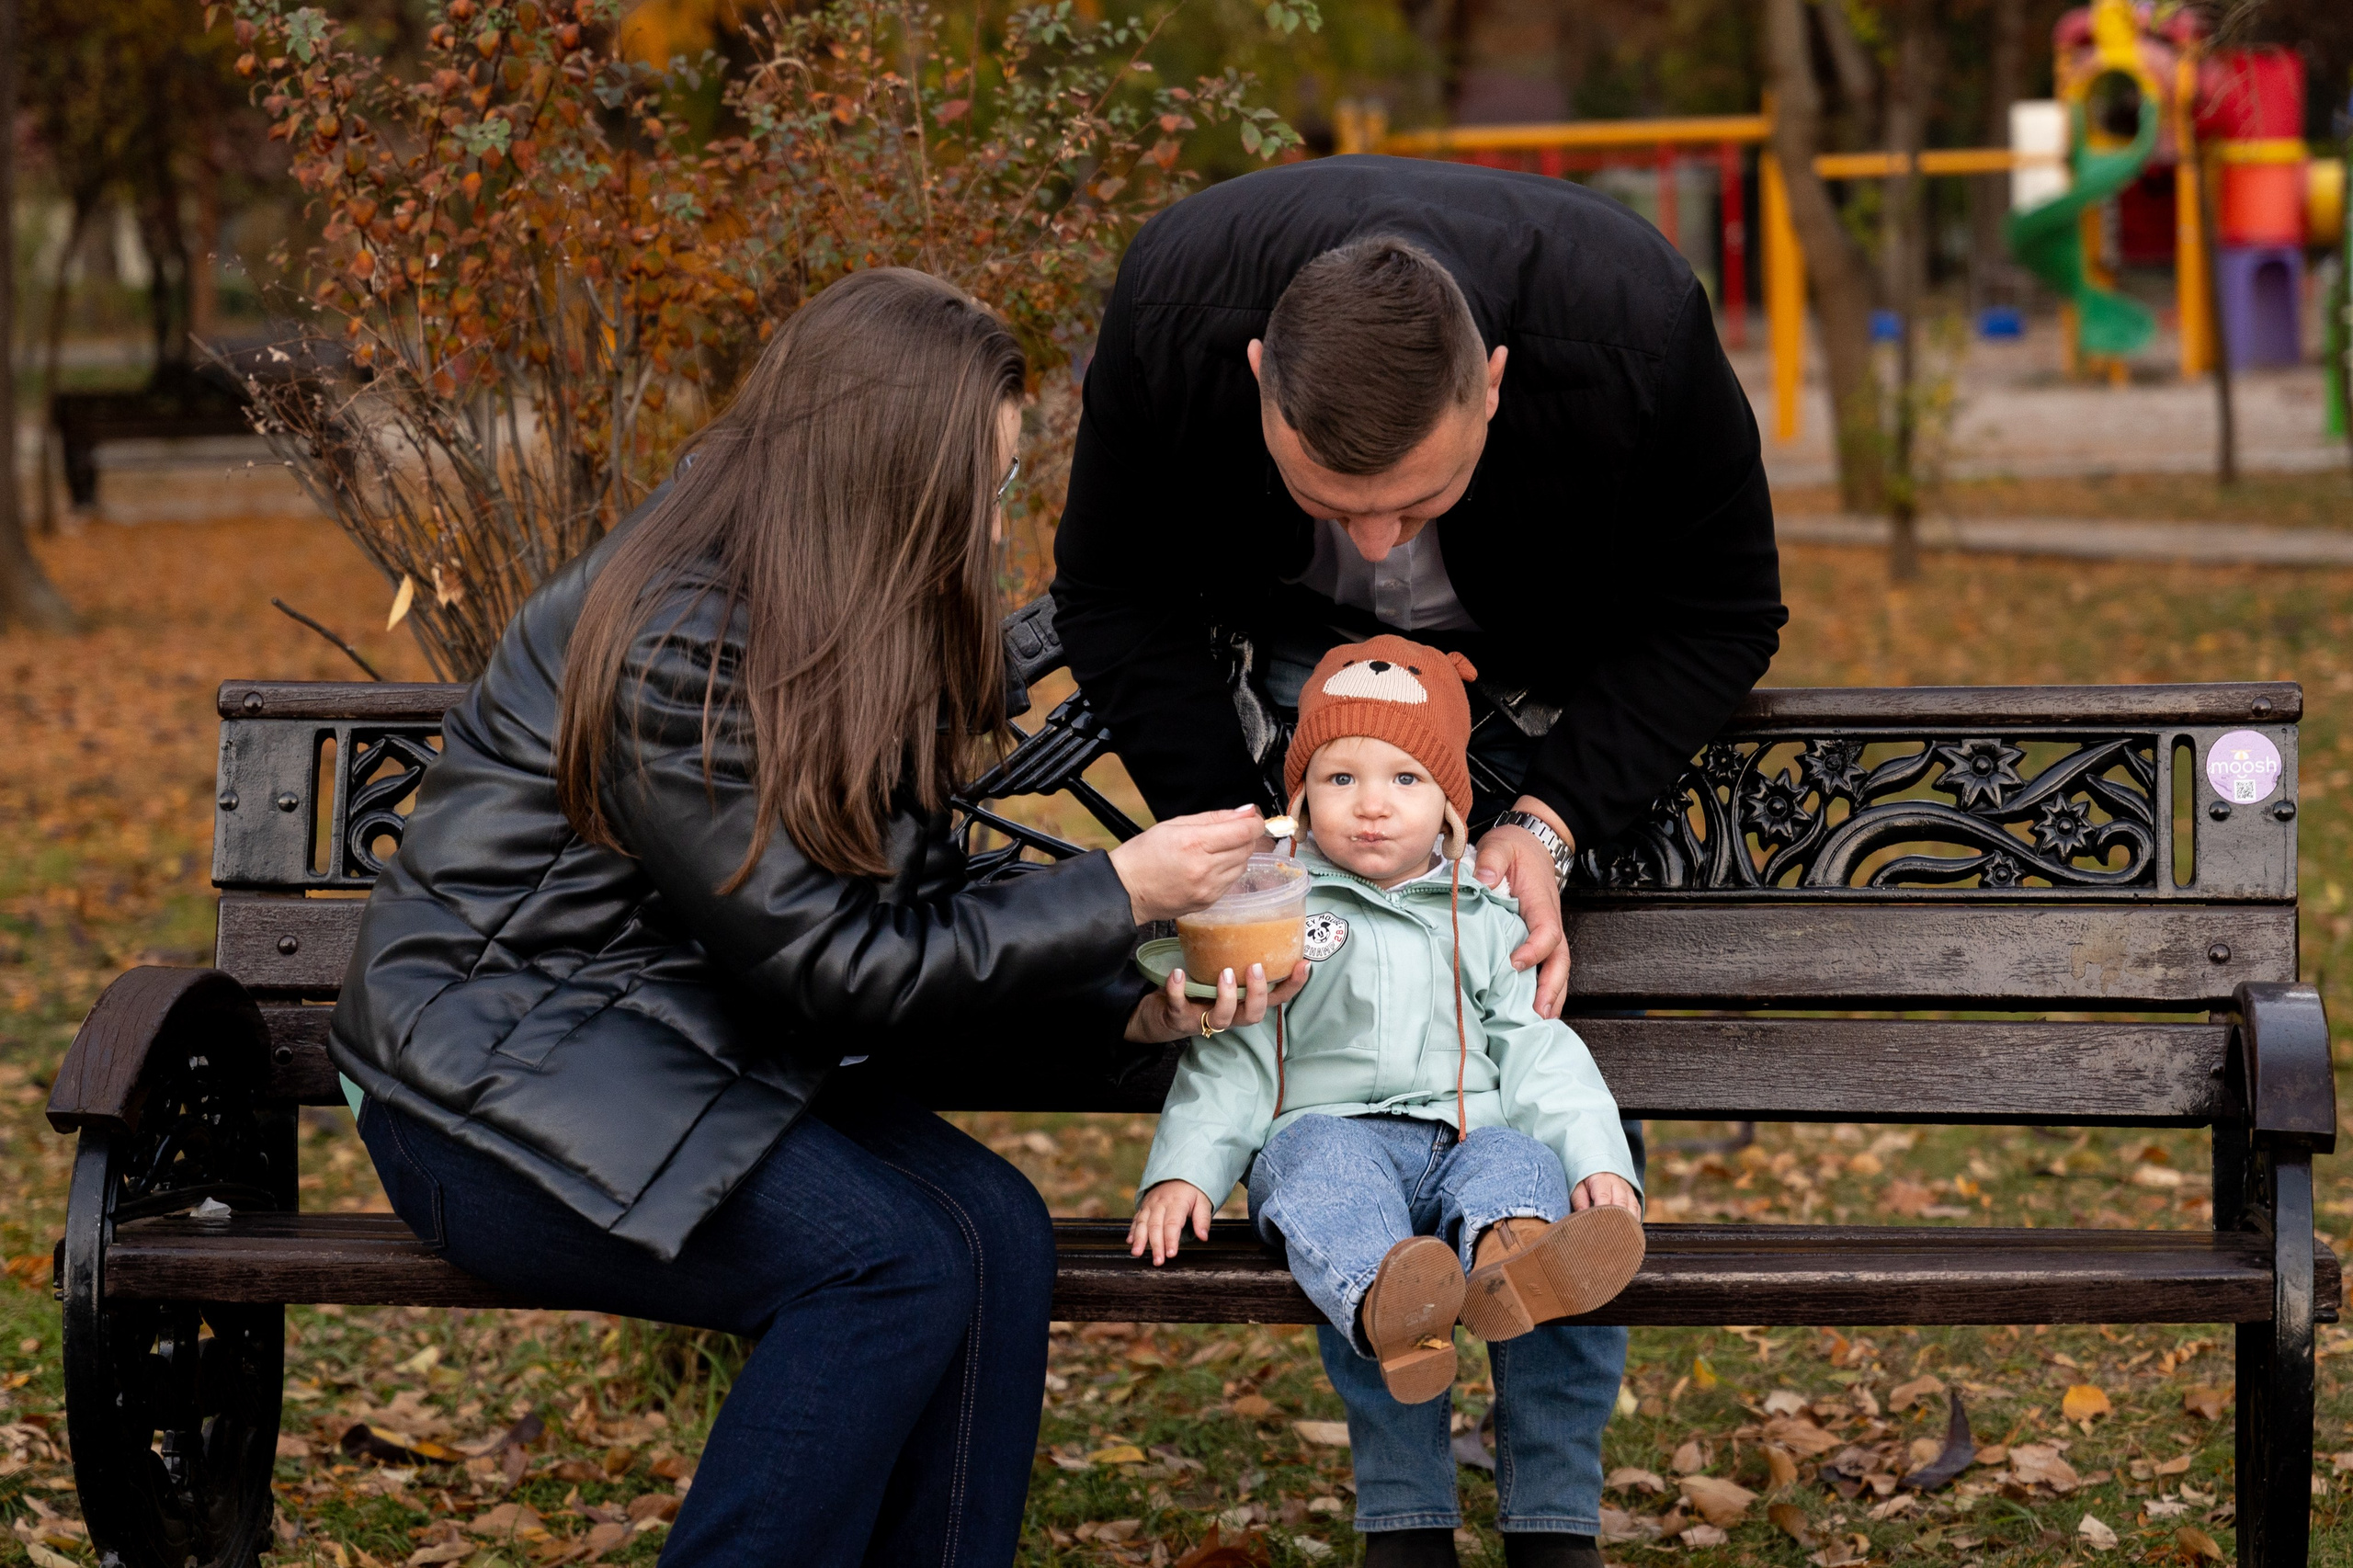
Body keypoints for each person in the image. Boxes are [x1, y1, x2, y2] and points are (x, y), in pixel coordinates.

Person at [327, 267, 1306, 1568]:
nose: (987, 515)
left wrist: (1124, 997)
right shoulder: (682, 637)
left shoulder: (822, 606)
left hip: (671, 1048)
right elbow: (837, 966)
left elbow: (902, 894)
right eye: (984, 481)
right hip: (485, 1095)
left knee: (994, 1233)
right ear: (888, 469)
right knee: (889, 1264)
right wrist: (1122, 887)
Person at [1052, 154, 1786, 1566]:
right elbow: (1116, 589)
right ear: (1257, 375)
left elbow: (1720, 608)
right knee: (1331, 1119)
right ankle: (1405, 1509)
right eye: (1332, 498)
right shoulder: (1172, 308)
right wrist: (1246, 842)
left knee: (1554, 1108)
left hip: (1550, 706)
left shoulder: (1631, 321)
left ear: (1496, 384)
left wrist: (1551, 821)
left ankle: (1553, 1503)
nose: (1379, 539)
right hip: (1296, 715)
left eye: (1418, 494)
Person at [1127, 636, 1644, 1562]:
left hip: (1461, 1137)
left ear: (1451, 806)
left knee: (1516, 1159)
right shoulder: (1272, 911)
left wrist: (1596, 1157)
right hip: (1329, 1137)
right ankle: (1397, 1382)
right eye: (1339, 778)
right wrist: (1186, 1171)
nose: (1370, 803)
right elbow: (1232, 1055)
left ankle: (1511, 1251)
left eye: (1405, 779)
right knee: (1335, 1190)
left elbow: (1536, 1049)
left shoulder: (1481, 916)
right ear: (1296, 804)